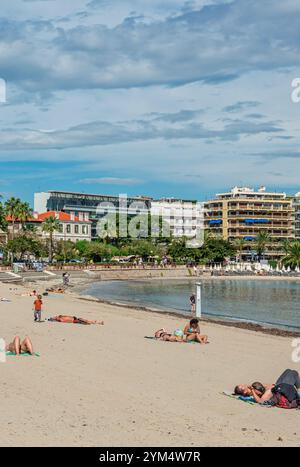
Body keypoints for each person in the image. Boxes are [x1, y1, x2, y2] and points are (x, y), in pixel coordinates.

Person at [234, 369, 300, 403]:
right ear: (245, 392)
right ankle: (299, 392)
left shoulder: (252, 387)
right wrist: (253, 391)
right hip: (283, 390)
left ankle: (299, 391)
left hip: (278, 386)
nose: (243, 385)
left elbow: (264, 386)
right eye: (242, 387)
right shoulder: (254, 392)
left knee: (288, 371)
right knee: (293, 373)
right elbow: (261, 401)